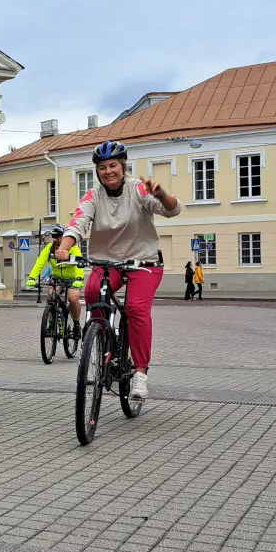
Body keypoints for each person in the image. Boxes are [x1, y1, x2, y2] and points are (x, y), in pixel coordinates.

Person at [55, 140, 180, 401]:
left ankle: (140, 372)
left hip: (144, 263)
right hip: (107, 262)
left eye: (113, 165)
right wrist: (65, 246)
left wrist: (161, 194)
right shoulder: (93, 195)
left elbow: (172, 210)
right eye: (102, 167)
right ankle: (103, 344)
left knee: (135, 309)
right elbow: (78, 222)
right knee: (92, 293)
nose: (108, 171)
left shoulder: (139, 189)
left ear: (123, 167)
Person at [25, 225, 85, 324]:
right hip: (58, 278)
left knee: (72, 298)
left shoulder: (73, 248)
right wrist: (32, 277)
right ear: (56, 238)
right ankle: (51, 323)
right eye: (61, 237)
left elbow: (79, 264)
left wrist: (79, 278)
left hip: (73, 279)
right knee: (51, 296)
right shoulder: (49, 248)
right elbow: (40, 262)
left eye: (65, 237)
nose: (64, 239)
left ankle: (76, 323)